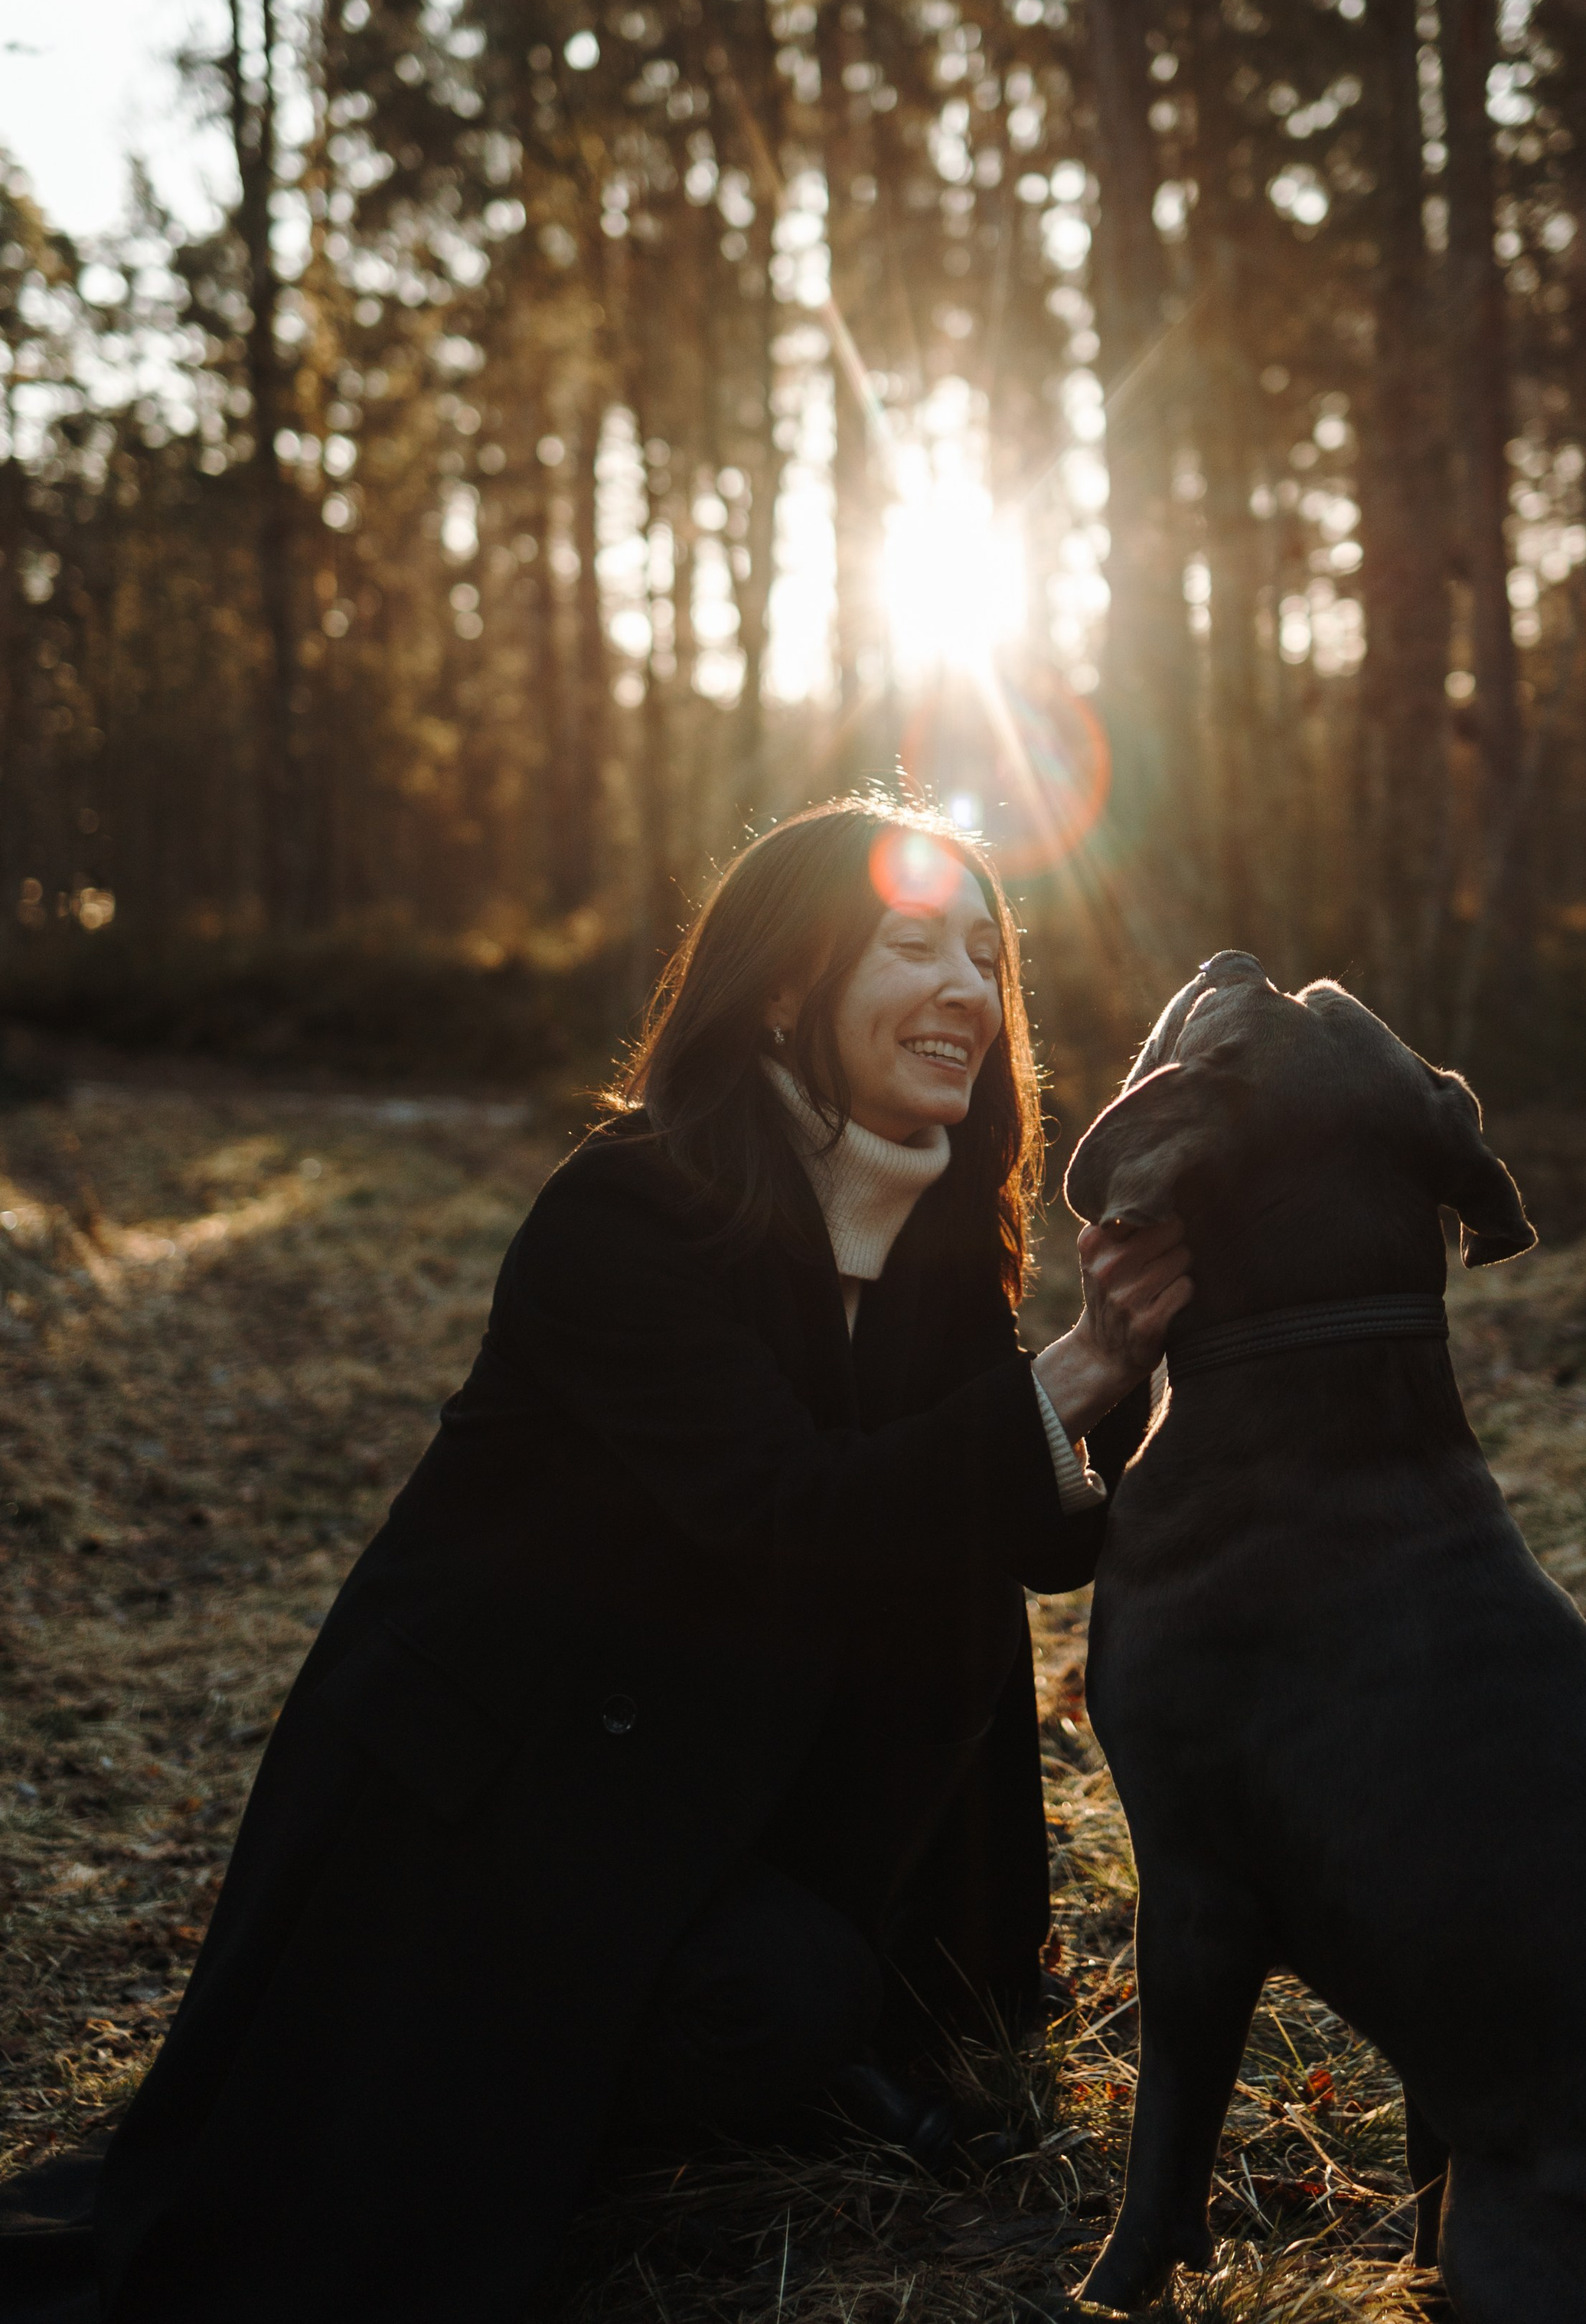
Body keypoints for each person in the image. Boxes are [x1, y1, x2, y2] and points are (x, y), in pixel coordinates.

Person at [83, 800, 1191, 2324]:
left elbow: (1020, 1540)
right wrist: (1057, 1381)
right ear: (791, 987)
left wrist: (1125, 1355)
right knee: (777, 2012)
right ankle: (521, 2082)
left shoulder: (927, 1236)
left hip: (709, 1777)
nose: (968, 995)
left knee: (830, 1989)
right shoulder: (624, 1217)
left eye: (986, 963)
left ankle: (800, 2011)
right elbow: (784, 1507)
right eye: (912, 947)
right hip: (502, 1808)